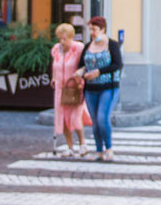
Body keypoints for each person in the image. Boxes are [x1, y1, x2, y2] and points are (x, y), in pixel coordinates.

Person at [77, 15, 124, 161]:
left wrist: (98, 72)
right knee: (95, 121)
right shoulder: (87, 46)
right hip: (91, 88)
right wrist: (80, 72)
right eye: (90, 29)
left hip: (108, 87)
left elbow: (117, 64)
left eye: (94, 29)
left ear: (102, 29)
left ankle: (108, 148)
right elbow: (81, 64)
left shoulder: (112, 45)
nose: (91, 32)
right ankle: (98, 151)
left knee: (102, 118)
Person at [50, 23, 91, 156]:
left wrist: (80, 76)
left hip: (75, 88)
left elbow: (85, 65)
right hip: (60, 89)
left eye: (65, 38)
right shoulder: (56, 49)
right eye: (60, 38)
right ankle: (69, 146)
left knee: (75, 117)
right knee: (62, 118)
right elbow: (55, 66)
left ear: (71, 37)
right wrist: (53, 78)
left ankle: (82, 144)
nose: (62, 41)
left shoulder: (78, 48)